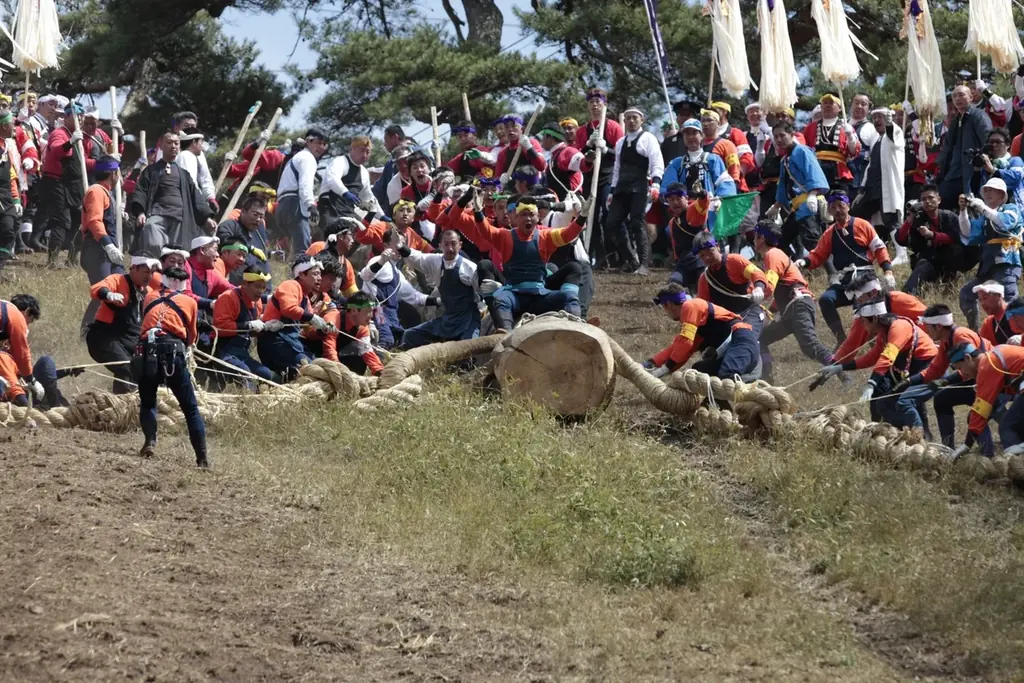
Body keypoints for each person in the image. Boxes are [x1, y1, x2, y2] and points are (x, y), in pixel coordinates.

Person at [458, 193, 585, 331]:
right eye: (524, 214)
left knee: (569, 296)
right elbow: (485, 231)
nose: (528, 218)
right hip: (514, 295)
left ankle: (576, 327)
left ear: (538, 218)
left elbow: (568, 234)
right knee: (501, 301)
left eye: (531, 214)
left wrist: (583, 216)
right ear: (516, 218)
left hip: (541, 295)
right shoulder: (504, 236)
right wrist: (478, 212)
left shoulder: (546, 237)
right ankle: (504, 333)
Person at [817, 299, 937, 425]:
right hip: (908, 366)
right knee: (879, 395)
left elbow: (887, 356)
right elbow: (872, 357)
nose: (863, 325)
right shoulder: (883, 333)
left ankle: (918, 435)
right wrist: (840, 367)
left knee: (904, 401)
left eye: (864, 321)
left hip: (927, 364)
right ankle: (878, 432)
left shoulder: (899, 327)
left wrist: (870, 383)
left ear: (874, 319)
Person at [893, 304, 993, 454]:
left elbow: (971, 366)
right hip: (974, 379)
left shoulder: (961, 337)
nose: (926, 330)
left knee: (979, 415)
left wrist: (943, 381)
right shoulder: (947, 340)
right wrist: (909, 381)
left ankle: (989, 453)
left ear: (939, 326)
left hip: (990, 380)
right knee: (942, 399)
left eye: (928, 327)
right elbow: (937, 368)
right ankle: (948, 448)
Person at [797, 191, 894, 344]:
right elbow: (818, 255)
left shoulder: (863, 225)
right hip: (845, 282)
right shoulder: (829, 233)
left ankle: (876, 341)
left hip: (865, 279)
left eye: (841, 206)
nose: (837, 210)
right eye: (833, 207)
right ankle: (841, 339)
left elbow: (879, 248)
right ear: (829, 210)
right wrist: (805, 262)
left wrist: (887, 271)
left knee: (864, 311)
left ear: (848, 206)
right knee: (826, 300)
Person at [135, 266, 206, 467]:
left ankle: (150, 441)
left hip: (145, 350)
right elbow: (191, 338)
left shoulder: (149, 297)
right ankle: (202, 459)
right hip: (173, 351)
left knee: (148, 401)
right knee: (190, 408)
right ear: (184, 284)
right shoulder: (190, 302)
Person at [752, 221, 834, 383]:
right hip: (792, 307)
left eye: (755, 237)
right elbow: (781, 291)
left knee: (809, 344)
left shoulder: (772, 255)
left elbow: (769, 286)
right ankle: (767, 380)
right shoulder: (775, 255)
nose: (753, 240)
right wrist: (770, 311)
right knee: (760, 339)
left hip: (798, 304)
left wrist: (755, 297)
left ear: (761, 237)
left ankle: (842, 373)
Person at [646, 284, 761, 380]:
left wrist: (665, 368)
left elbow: (685, 343)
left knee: (726, 376)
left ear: (669, 304)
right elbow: (680, 349)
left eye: (664, 307)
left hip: (742, 341)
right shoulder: (698, 325)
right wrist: (652, 363)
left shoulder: (690, 306)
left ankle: (753, 388)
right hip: (736, 345)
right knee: (700, 370)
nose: (666, 313)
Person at [129, 131, 216, 255]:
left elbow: (196, 197)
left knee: (177, 253)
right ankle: (155, 269)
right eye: (169, 142)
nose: (173, 146)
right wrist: (140, 212)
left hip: (180, 217)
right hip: (158, 214)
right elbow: (141, 192)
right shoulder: (151, 171)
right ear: (162, 146)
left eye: (176, 143)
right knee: (150, 234)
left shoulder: (184, 174)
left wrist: (207, 218)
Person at [958, 176, 1023, 328]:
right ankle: (975, 332)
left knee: (1011, 300)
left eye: (992, 190)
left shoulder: (1011, 209)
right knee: (966, 294)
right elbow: (968, 232)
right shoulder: (985, 217)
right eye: (985, 190)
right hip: (988, 265)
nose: (987, 193)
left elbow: (1004, 223)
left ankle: (1018, 334)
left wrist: (982, 207)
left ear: (1002, 195)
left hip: (1006, 262)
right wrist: (963, 211)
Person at [606, 107, 664, 275]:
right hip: (621, 188)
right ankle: (631, 259)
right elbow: (617, 168)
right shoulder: (620, 143)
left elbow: (656, 161)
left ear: (642, 120)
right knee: (612, 223)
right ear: (624, 121)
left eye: (635, 118)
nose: (631, 121)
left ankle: (644, 263)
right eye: (628, 118)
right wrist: (611, 191)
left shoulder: (648, 138)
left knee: (637, 223)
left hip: (640, 187)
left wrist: (656, 184)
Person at [87, 254, 156, 393]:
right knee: (126, 367)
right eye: (146, 272)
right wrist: (108, 294)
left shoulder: (149, 292)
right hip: (104, 338)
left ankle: (131, 404)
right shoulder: (118, 280)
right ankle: (122, 404)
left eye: (152, 272)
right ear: (134, 269)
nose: (149, 276)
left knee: (144, 370)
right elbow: (96, 288)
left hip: (129, 341)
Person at [400, 229, 480, 348]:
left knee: (467, 352)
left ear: (460, 245)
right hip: (447, 320)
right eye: (446, 244)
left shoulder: (469, 268)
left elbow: (482, 293)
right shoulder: (436, 261)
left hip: (467, 320)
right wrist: (400, 246)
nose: (450, 248)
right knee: (409, 336)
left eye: (453, 244)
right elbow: (417, 258)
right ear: (440, 245)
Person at [258, 255, 333, 379]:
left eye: (320, 274)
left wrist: (324, 329)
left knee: (318, 365)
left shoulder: (305, 298)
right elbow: (288, 309)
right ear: (301, 274)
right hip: (275, 342)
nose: (319, 278)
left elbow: (309, 330)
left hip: (290, 342)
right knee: (313, 371)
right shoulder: (290, 285)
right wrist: (312, 317)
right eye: (315, 274)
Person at [949, 339, 1024, 459]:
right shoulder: (992, 357)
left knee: (1008, 427)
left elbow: (980, 411)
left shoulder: (986, 366)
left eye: (961, 368)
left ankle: (1017, 468)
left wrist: (967, 445)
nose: (962, 373)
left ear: (968, 358)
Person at [574, 88, 624, 267]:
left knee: (608, 214)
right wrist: (587, 146)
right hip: (589, 177)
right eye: (591, 103)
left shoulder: (613, 127)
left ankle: (617, 254)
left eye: (598, 102)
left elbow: (622, 153)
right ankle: (600, 257)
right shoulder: (582, 131)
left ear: (605, 105)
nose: (595, 106)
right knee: (590, 216)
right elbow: (578, 156)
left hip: (608, 175)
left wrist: (605, 149)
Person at [766, 122, 830, 259]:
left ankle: (833, 274)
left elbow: (813, 172)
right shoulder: (785, 160)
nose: (778, 139)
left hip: (808, 203)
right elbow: (783, 185)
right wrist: (776, 206)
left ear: (791, 134)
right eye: (775, 137)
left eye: (782, 135)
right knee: (780, 241)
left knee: (812, 239)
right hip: (797, 207)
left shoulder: (802, 151)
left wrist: (813, 193)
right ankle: (797, 264)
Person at [661, 119, 736, 235]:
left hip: (708, 209)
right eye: (687, 133)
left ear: (702, 135)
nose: (691, 137)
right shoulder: (676, 163)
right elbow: (668, 186)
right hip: (685, 211)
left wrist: (719, 199)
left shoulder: (712, 159)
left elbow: (725, 182)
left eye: (694, 132)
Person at [359, 229, 433, 348]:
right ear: (385, 245)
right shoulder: (377, 261)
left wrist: (437, 301)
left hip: (391, 315)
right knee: (386, 340)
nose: (400, 248)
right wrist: (382, 261)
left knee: (403, 340)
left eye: (402, 244)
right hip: (376, 311)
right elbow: (365, 275)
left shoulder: (398, 274)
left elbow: (415, 297)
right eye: (397, 243)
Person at [692, 231, 772, 335]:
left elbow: (756, 273)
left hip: (750, 312)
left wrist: (758, 288)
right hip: (729, 321)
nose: (707, 257)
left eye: (709, 251)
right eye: (702, 255)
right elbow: (702, 306)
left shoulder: (734, 260)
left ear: (717, 247)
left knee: (744, 336)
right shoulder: (704, 279)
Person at [37, 102, 87, 266]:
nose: (81, 119)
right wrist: (70, 142)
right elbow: (57, 149)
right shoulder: (60, 133)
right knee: (61, 222)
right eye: (77, 116)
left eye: (82, 116)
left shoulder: (78, 136)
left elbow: (83, 163)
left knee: (79, 222)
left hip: (73, 186)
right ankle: (52, 261)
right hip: (56, 183)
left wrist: (107, 164)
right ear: (67, 117)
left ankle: (72, 260)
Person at [0, 294, 71, 408]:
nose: (27, 325)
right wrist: (29, 412)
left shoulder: (5, 324)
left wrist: (67, 371)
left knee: (46, 362)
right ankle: (55, 407)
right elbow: (14, 377)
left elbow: (25, 374)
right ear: (26, 311)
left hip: (21, 386)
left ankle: (56, 405)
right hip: (17, 396)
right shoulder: (16, 318)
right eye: (30, 320)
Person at [79, 154, 124, 333]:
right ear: (113, 173)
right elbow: (94, 221)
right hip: (97, 251)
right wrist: (108, 244)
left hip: (106, 252)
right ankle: (86, 332)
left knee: (122, 286)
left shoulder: (106, 193)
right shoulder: (96, 191)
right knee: (102, 292)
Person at [211, 266, 273, 387]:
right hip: (223, 352)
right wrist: (249, 325)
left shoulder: (257, 302)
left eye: (263, 287)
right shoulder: (228, 297)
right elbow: (220, 328)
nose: (260, 291)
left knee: (265, 374)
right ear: (244, 284)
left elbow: (252, 331)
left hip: (241, 352)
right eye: (257, 286)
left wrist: (267, 327)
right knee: (245, 373)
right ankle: (248, 402)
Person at [851, 107, 905, 245]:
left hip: (887, 185)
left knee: (890, 217)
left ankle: (901, 251)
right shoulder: (877, 141)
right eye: (874, 118)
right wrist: (861, 190)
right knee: (857, 212)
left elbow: (892, 130)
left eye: (879, 117)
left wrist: (889, 122)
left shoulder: (894, 134)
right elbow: (870, 166)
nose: (876, 121)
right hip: (872, 188)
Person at [896, 184, 963, 294]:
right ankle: (906, 296)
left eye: (931, 198)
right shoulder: (919, 218)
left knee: (955, 250)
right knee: (922, 265)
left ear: (939, 199)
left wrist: (932, 235)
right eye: (924, 199)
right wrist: (909, 222)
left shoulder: (949, 216)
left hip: (948, 262)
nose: (927, 201)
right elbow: (900, 239)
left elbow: (956, 238)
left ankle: (949, 287)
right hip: (929, 261)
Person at [936, 84, 993, 209]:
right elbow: (947, 147)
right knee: (942, 204)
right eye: (954, 96)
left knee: (973, 210)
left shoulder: (979, 116)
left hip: (971, 173)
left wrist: (979, 160)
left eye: (961, 95)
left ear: (971, 97)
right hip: (952, 173)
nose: (957, 99)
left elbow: (988, 141)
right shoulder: (956, 121)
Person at [277, 128, 328, 257]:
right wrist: (311, 204)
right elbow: (305, 184)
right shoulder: (307, 158)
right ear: (308, 142)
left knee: (289, 249)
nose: (321, 147)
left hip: (282, 205)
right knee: (303, 250)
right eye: (318, 142)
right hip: (295, 205)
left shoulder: (296, 158)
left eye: (323, 144)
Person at [319, 135, 381, 235]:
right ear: (351, 149)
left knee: (368, 234)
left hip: (349, 212)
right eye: (362, 150)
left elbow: (368, 197)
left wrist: (381, 215)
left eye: (368, 152)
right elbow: (333, 179)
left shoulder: (364, 172)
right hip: (330, 209)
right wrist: (345, 193)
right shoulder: (340, 162)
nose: (365, 155)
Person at [802, 93, 861, 193]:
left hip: (838, 170)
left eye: (831, 103)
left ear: (839, 108)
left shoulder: (846, 126)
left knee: (839, 201)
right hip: (816, 168)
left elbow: (853, 152)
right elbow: (804, 149)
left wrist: (850, 136)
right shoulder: (810, 127)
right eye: (825, 103)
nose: (827, 105)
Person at [215, 195, 271, 283]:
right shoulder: (231, 225)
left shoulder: (258, 235)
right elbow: (225, 239)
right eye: (255, 214)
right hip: (231, 283)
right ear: (243, 211)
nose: (258, 219)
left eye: (261, 217)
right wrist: (250, 248)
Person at [661, 183, 705, 290]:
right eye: (671, 199)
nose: (675, 202)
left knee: (703, 284)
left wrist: (703, 197)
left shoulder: (693, 211)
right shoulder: (672, 223)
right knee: (674, 284)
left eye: (678, 198)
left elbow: (702, 206)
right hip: (683, 263)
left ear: (686, 198)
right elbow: (675, 246)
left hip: (700, 261)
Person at [332, 292, 385, 376]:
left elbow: (367, 351)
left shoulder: (362, 328)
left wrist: (380, 372)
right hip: (313, 352)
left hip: (336, 355)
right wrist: (339, 373)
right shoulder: (333, 320)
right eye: (368, 311)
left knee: (359, 362)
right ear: (353, 310)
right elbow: (329, 351)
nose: (371, 316)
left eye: (372, 311)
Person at [306, 224, 359, 299]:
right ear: (341, 236)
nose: (353, 240)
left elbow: (353, 295)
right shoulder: (317, 248)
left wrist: (364, 304)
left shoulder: (346, 264)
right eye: (350, 235)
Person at [700, 108, 747, 192]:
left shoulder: (727, 145)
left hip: (721, 191)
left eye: (709, 120)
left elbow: (734, 171)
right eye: (703, 120)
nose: (705, 124)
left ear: (718, 123)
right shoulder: (697, 145)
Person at [978, 127, 1024, 209]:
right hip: (992, 210)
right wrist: (976, 171)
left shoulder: (1015, 161)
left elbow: (1015, 178)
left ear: (1007, 145)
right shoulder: (986, 164)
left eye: (998, 142)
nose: (994, 145)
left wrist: (993, 170)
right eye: (991, 142)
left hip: (1015, 207)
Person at [0, 112, 22, 277]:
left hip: (6, 195)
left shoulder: (6, 146)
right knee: (6, 230)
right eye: (12, 124)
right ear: (4, 126)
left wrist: (15, 199)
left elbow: (11, 175)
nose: (15, 128)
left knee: (11, 229)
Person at [538, 122, 584, 200]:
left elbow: (584, 164)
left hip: (570, 204)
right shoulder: (554, 155)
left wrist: (588, 160)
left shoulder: (567, 152)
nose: (542, 140)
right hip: (559, 203)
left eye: (543, 137)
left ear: (550, 138)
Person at [176, 127, 217, 212]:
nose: (202, 145)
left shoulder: (197, 156)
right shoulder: (186, 155)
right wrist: (201, 204)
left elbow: (205, 178)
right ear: (194, 142)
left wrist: (210, 198)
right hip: (188, 203)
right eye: (201, 141)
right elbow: (190, 183)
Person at [372, 123, 408, 208]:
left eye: (386, 140)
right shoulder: (390, 164)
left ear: (395, 137)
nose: (384, 144)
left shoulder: (418, 156)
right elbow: (379, 190)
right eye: (399, 163)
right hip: (393, 212)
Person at [976, 281, 1015, 345]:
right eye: (980, 300)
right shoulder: (988, 323)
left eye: (985, 298)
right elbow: (982, 347)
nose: (982, 303)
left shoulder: (1018, 313)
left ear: (998, 295)